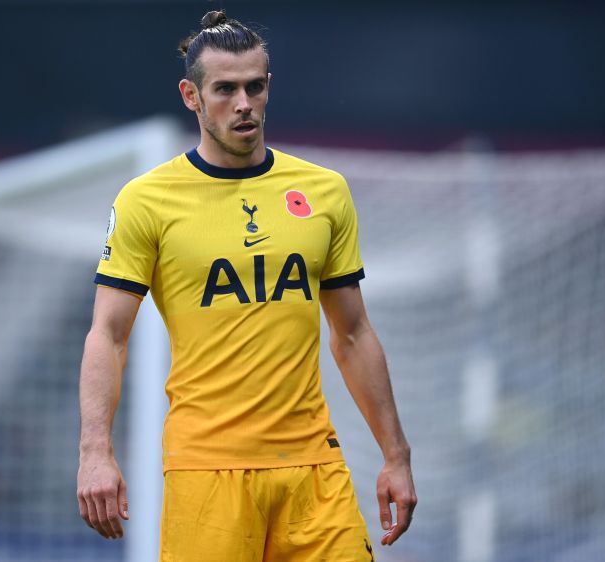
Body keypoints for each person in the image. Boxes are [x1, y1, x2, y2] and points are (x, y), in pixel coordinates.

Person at [77, 10, 416, 561]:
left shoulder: (323, 191)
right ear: (190, 95)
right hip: (206, 469)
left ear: (268, 87)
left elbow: (352, 334)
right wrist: (95, 451)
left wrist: (395, 454)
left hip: (314, 467)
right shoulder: (146, 200)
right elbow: (108, 336)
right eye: (225, 89)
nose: (243, 104)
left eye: (254, 87)